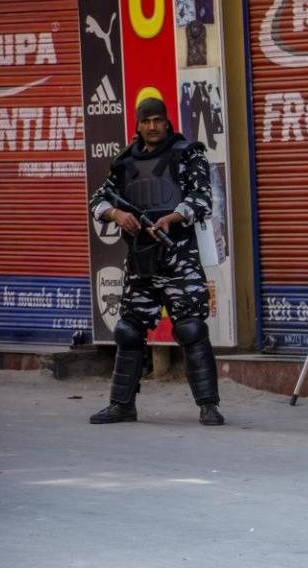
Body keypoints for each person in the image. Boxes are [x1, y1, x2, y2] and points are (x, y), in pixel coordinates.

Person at [88, 97, 223, 426]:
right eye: (146, 121)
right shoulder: (124, 162)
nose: (152, 126)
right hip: (141, 261)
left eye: (158, 120)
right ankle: (122, 405)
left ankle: (209, 407)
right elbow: (97, 201)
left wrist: (173, 218)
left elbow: (202, 198)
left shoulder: (186, 155)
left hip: (178, 257)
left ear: (168, 122)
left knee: (191, 329)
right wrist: (118, 214)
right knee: (129, 331)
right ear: (138, 124)